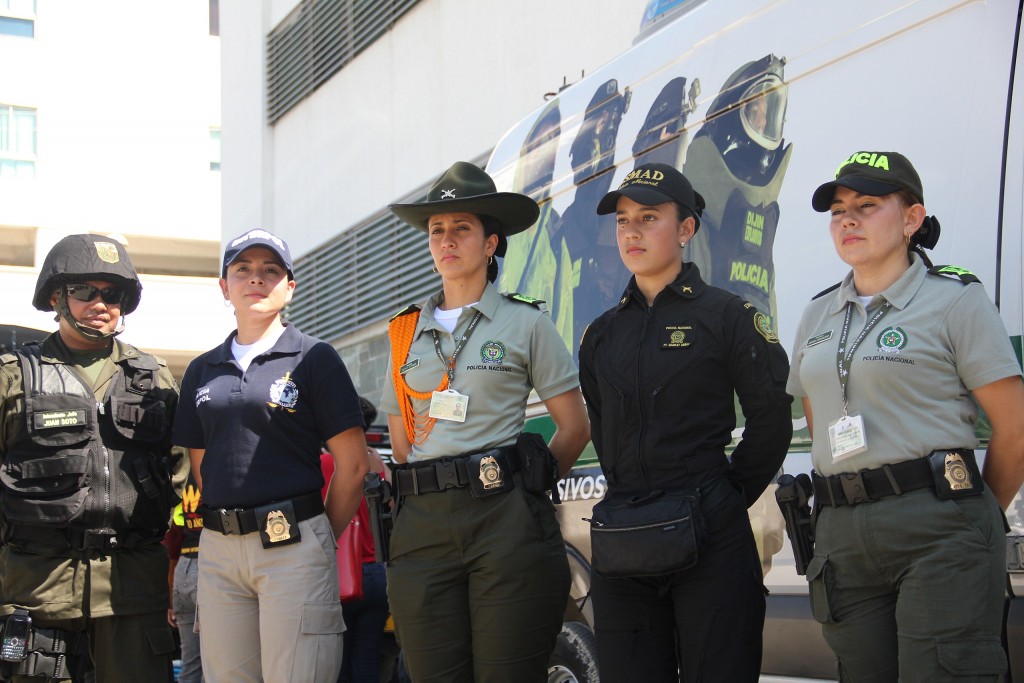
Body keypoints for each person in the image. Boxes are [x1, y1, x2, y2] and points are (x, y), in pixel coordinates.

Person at [788, 151, 1024, 681]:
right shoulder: (816, 313)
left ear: (912, 218)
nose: (847, 219)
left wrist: (971, 518)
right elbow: (817, 411)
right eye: (838, 210)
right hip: (843, 533)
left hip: (937, 527)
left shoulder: (955, 301)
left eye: (867, 205)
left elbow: (1016, 430)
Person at [578, 163, 793, 682]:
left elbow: (771, 423)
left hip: (712, 541)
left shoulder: (730, 317)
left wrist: (720, 497)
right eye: (623, 220)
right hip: (624, 541)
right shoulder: (600, 336)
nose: (631, 231)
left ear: (686, 229)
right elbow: (606, 432)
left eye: (648, 217)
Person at [383, 161, 590, 683]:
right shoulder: (403, 333)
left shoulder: (527, 322)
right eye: (437, 231)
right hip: (423, 527)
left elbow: (574, 426)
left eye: (461, 229)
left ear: (491, 242)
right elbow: (402, 442)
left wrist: (530, 488)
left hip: (505, 521)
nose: (447, 240)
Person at [172, 229, 369, 683]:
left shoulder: (315, 358)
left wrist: (318, 536)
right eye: (243, 270)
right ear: (224, 287)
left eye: (270, 271)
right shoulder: (202, 370)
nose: (256, 279)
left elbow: (354, 465)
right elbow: (202, 464)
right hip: (219, 552)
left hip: (293, 544)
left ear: (290, 286)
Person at [0, 234, 186, 682]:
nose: (100, 304)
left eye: (113, 294)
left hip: (133, 591)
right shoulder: (13, 377)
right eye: (85, 291)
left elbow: (183, 477)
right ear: (55, 298)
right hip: (37, 588)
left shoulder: (154, 377)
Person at [318, 396, 390, 683]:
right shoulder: (376, 460)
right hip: (377, 573)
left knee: (338, 663)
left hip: (343, 573)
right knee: (368, 659)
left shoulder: (324, 462)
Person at [163, 470, 203, 683]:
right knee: (217, 664)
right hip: (208, 568)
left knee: (191, 665)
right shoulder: (218, 469)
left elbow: (172, 541)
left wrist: (170, 599)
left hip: (183, 571)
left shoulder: (187, 478)